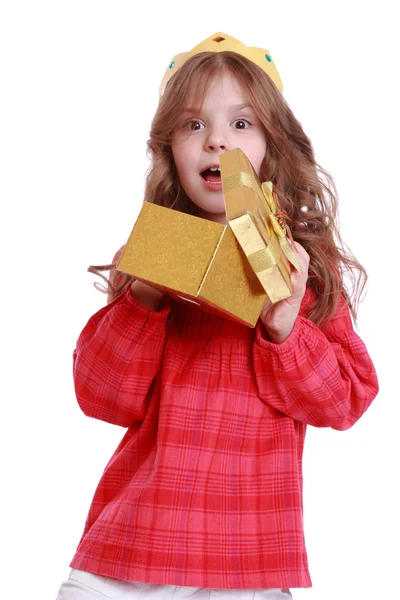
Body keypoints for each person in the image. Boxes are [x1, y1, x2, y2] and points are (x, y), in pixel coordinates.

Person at [55, 32, 379, 599]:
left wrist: (285, 331)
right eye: (193, 124)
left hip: (247, 565)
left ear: (272, 145)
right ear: (169, 148)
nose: (216, 143)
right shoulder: (153, 255)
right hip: (131, 552)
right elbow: (99, 396)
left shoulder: (305, 271)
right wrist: (146, 297)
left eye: (241, 124)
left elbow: (347, 399)